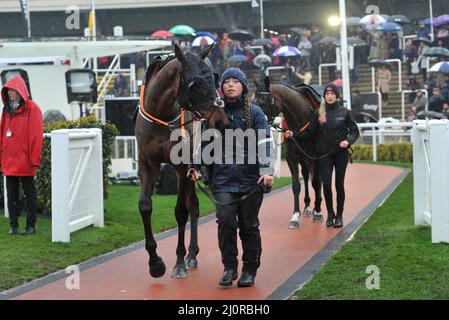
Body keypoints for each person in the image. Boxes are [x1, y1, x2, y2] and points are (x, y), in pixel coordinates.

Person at [188, 67, 274, 288]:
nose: (230, 85)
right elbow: (201, 140)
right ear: (222, 87)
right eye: (227, 81)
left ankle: (249, 270)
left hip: (250, 180)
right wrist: (195, 165)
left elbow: (265, 142)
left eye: (236, 81)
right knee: (225, 223)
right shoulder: (212, 113)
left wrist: (266, 171)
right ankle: (229, 267)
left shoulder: (255, 113)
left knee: (249, 227)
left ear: (243, 86)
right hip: (222, 179)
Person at [284, 84, 359, 228]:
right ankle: (330, 215)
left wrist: (347, 141)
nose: (330, 96)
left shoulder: (345, 112)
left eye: (332, 94)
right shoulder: (319, 113)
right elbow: (309, 133)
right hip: (324, 155)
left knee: (339, 185)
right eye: (327, 94)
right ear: (324, 96)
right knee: (326, 185)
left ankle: (339, 216)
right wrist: (293, 134)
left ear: (337, 96)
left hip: (340, 154)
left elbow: (355, 131)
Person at [0, 76, 43, 235]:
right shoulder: (6, 110)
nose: (10, 93)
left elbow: (36, 135)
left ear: (20, 91)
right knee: (11, 195)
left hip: (25, 161)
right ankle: (13, 225)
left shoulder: (32, 108)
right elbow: (2, 133)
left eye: (12, 90)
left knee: (29, 194)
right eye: (8, 90)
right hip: (10, 159)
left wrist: (34, 159)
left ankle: (31, 226)